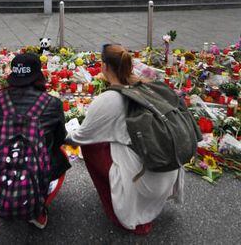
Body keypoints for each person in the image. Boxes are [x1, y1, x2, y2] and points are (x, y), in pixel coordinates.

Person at [66, 44, 183, 235]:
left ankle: (127, 208)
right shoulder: (146, 85)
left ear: (104, 67)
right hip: (167, 168)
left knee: (90, 146)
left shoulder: (108, 99)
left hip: (145, 178)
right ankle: (138, 199)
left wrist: (57, 135)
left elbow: (80, 137)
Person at [0, 53, 71, 229]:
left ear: (13, 75)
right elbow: (60, 138)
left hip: (1, 165)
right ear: (38, 75)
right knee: (60, 155)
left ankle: (3, 197)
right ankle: (37, 209)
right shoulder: (52, 103)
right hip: (36, 170)